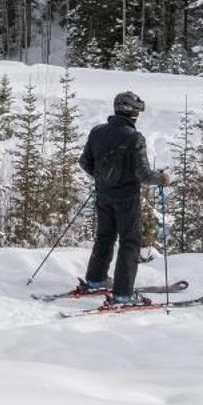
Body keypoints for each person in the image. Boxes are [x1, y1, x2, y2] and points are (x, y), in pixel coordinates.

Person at [77, 90, 168, 307]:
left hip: (103, 196)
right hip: (127, 199)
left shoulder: (97, 132)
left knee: (105, 238)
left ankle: (95, 280)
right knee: (130, 243)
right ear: (132, 111)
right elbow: (144, 175)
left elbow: (84, 162)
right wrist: (162, 178)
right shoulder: (134, 137)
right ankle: (123, 294)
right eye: (138, 109)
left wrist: (102, 179)